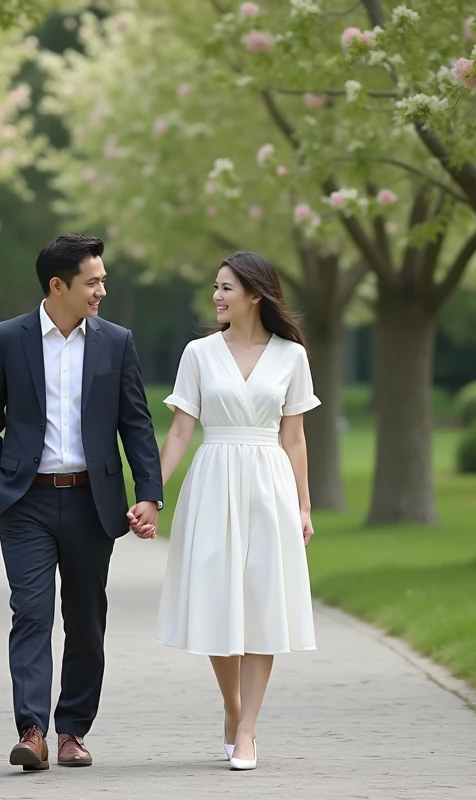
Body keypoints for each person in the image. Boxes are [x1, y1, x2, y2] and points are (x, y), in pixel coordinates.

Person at [0, 233, 164, 771]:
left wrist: (149, 494)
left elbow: (136, 423)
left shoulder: (116, 342)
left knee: (85, 620)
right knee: (30, 613)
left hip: (90, 503)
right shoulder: (7, 339)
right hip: (25, 503)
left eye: (102, 279)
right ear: (58, 286)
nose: (102, 289)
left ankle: (72, 731)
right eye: (93, 281)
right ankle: (32, 731)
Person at [151, 250, 319, 772]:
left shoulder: (292, 356)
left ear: (255, 294)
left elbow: (295, 438)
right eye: (216, 286)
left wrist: (304, 504)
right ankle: (232, 706)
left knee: (263, 600)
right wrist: (150, 492)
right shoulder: (199, 353)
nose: (217, 296)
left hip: (269, 481)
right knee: (218, 597)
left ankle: (248, 730)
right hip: (214, 478)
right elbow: (181, 429)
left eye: (226, 287)